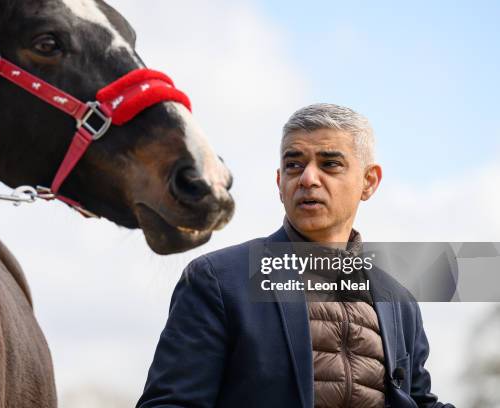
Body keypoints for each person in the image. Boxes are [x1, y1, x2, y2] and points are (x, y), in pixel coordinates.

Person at [137, 104, 454, 408]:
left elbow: (419, 400)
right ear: (280, 182)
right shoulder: (218, 280)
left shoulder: (398, 301)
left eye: (329, 164)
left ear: (369, 182)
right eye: (294, 165)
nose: (308, 179)